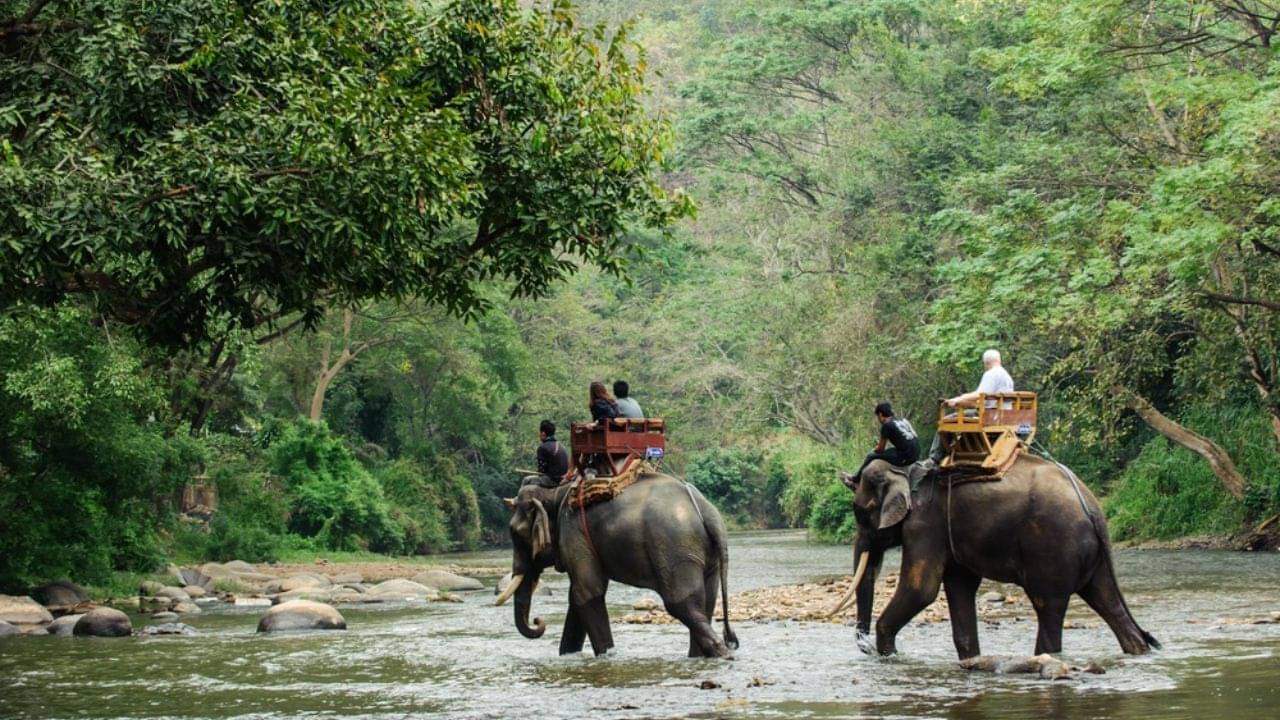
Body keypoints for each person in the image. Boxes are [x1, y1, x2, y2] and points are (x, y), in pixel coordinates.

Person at [844, 402, 919, 488]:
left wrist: (875, 450)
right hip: (915, 453)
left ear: (880, 414)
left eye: (877, 417)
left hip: (905, 457)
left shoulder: (886, 425)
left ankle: (855, 479)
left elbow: (880, 449)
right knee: (890, 451)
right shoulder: (900, 420)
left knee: (870, 456)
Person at [946, 349, 1014, 410]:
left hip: (991, 414)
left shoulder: (991, 374)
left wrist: (958, 399)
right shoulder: (1007, 375)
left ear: (986, 362)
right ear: (999, 360)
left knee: (950, 419)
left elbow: (980, 395)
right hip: (1007, 412)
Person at [528, 419, 569, 488]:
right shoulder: (561, 445)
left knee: (527, 480)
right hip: (564, 479)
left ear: (543, 433)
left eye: (540, 432)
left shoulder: (542, 447)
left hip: (553, 481)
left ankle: (519, 498)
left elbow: (541, 471)